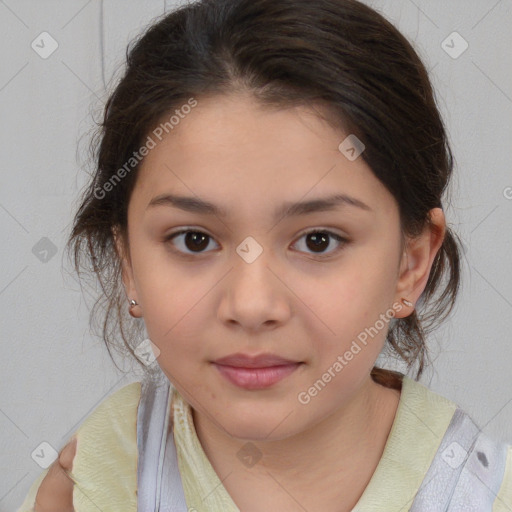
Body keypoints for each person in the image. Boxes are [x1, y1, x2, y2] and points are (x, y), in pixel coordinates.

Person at [17, 0, 512, 510]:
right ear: (128, 263)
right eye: (194, 240)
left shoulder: (485, 495)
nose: (251, 306)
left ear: (410, 264)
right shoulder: (92, 485)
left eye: (319, 240)